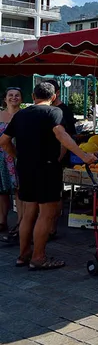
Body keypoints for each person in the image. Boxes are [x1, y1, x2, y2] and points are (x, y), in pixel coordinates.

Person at [0, 82, 96, 270]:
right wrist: (83, 155)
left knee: (28, 214)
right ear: (52, 98)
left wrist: (18, 156)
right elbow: (61, 135)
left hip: (25, 169)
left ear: (34, 97)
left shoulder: (20, 114)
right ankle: (38, 257)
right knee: (46, 214)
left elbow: (4, 141)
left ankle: (23, 254)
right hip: (47, 168)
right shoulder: (54, 112)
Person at [45, 80, 77, 240]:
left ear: (55, 92)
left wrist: (59, 157)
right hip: (47, 158)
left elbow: (67, 137)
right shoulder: (49, 110)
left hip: (57, 158)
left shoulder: (63, 111)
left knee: (55, 194)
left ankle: (52, 228)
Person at [0, 87, 22, 237]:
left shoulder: (24, 115)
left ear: (21, 99)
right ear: (5, 98)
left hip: (18, 156)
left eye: (17, 95)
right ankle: (2, 221)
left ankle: (21, 223)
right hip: (0, 159)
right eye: (10, 95)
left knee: (19, 191)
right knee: (1, 190)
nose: (13, 98)